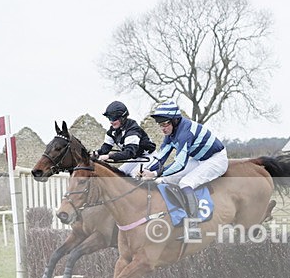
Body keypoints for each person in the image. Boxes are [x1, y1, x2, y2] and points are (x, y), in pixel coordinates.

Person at [141, 100, 228, 239]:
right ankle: (178, 217)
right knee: (165, 180)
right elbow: (161, 158)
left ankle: (193, 227)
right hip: (198, 159)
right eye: (160, 125)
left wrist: (155, 173)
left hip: (216, 159)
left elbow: (180, 163)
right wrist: (145, 170)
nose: (163, 128)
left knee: (185, 183)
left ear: (175, 121)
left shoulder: (184, 132)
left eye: (165, 124)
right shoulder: (170, 134)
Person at [93, 101, 156, 177]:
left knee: (134, 177)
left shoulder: (133, 130)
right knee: (118, 175)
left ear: (122, 118)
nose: (111, 122)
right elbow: (106, 148)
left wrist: (109, 156)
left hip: (149, 157)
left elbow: (129, 153)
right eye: (109, 118)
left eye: (113, 118)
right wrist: (96, 153)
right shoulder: (112, 131)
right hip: (136, 158)